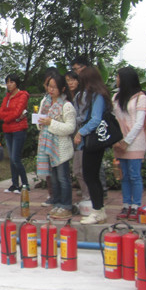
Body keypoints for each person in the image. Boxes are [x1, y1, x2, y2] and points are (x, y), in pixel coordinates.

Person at [73, 66, 112, 225]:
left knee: (91, 176)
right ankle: (99, 210)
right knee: (91, 176)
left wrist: (80, 132)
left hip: (94, 141)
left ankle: (97, 211)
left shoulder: (97, 96)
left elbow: (96, 119)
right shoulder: (92, 95)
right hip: (90, 141)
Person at [36, 73, 76, 218]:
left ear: (62, 89)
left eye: (54, 87)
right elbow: (40, 122)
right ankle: (57, 203)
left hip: (60, 148)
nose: (51, 90)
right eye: (49, 86)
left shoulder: (67, 105)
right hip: (47, 146)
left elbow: (70, 128)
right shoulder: (45, 102)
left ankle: (66, 205)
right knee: (53, 178)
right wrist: (41, 123)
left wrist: (51, 123)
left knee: (63, 178)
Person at [112, 67, 146, 221]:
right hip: (119, 141)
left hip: (135, 142)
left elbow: (139, 123)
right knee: (124, 176)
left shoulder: (141, 98)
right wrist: (116, 140)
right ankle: (126, 204)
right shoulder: (116, 97)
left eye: (118, 77)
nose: (116, 79)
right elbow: (113, 119)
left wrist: (127, 141)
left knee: (134, 175)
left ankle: (136, 205)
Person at [0, 73, 30, 194]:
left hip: (18, 129)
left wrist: (7, 117)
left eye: (11, 82)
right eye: (7, 82)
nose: (9, 85)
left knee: (16, 158)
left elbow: (17, 112)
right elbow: (0, 113)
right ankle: (15, 184)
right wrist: (9, 117)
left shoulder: (23, 96)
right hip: (8, 130)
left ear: (16, 83)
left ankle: (25, 184)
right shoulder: (7, 97)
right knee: (11, 159)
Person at [66, 69, 88, 206]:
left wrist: (70, 120)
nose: (70, 83)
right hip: (73, 136)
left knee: (80, 169)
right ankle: (86, 195)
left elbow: (85, 116)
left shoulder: (82, 95)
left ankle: (88, 196)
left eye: (73, 80)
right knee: (77, 169)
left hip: (82, 136)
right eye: (68, 80)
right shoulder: (70, 97)